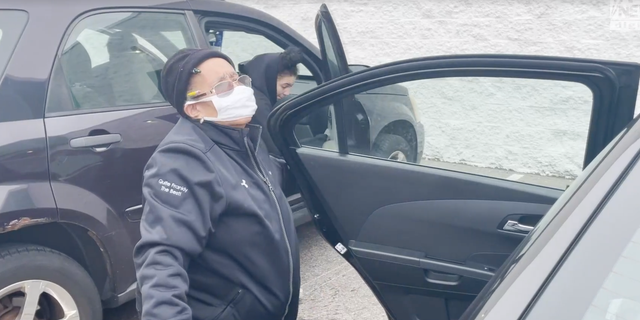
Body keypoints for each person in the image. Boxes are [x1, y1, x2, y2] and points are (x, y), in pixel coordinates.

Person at [133, 48, 300, 320]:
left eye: (237, 79)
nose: (239, 89)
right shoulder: (182, 160)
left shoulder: (244, 139)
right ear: (194, 107)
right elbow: (162, 255)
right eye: (223, 86)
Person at [242, 46, 304, 156]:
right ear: (269, 80)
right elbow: (274, 150)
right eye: (284, 86)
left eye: (290, 87)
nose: (287, 93)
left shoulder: (254, 95)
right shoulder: (257, 105)